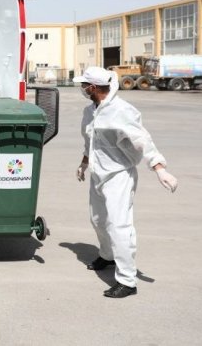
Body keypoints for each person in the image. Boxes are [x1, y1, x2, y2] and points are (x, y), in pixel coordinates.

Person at [74, 66, 178, 299]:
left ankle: (127, 281)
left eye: (84, 85)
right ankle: (107, 255)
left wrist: (159, 168)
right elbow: (89, 141)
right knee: (98, 220)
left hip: (119, 175)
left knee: (119, 226)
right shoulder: (90, 111)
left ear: (93, 87)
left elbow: (143, 141)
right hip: (97, 173)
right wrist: (84, 163)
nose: (81, 88)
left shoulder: (122, 111)